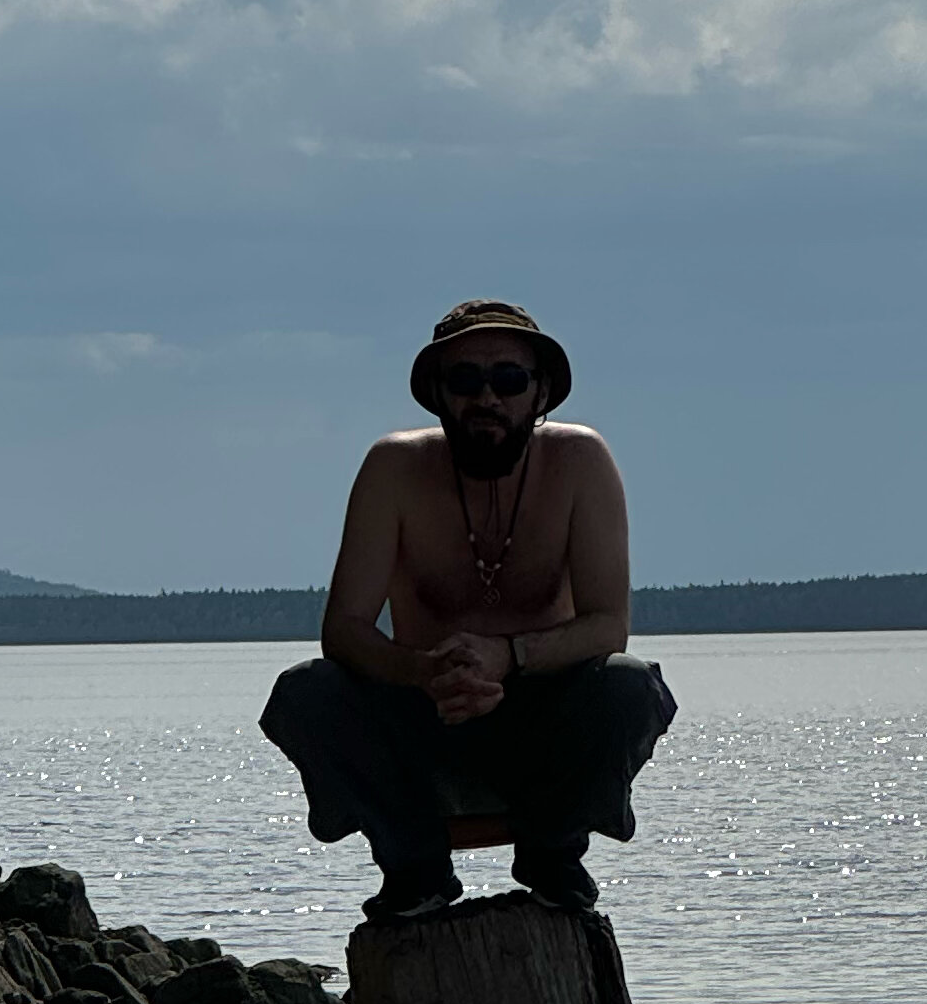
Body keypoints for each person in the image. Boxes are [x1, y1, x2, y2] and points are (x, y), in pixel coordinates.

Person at [259, 299, 676, 919]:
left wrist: (508, 658)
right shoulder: (393, 468)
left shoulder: (580, 462)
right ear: (437, 394)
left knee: (631, 687)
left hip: (542, 716)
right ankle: (414, 871)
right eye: (465, 381)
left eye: (509, 380)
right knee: (303, 693)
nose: (488, 399)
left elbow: (608, 625)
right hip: (426, 716)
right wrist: (428, 671)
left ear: (539, 395)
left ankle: (554, 857)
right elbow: (343, 631)